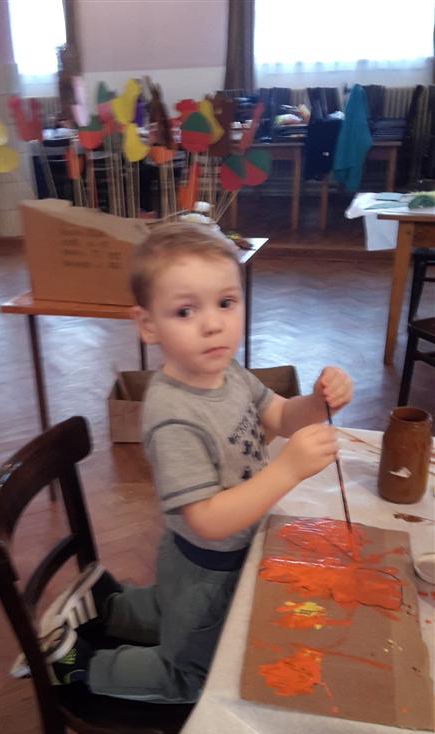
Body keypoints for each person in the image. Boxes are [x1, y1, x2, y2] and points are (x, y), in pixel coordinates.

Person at [41, 222, 353, 702]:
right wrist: (287, 470)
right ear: (148, 325)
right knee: (188, 673)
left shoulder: (229, 372)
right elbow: (206, 519)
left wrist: (315, 402)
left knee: (170, 610)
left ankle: (105, 604)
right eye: (186, 311)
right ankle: (77, 665)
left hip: (207, 560)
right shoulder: (172, 415)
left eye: (225, 303)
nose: (212, 324)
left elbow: (281, 417)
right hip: (208, 567)